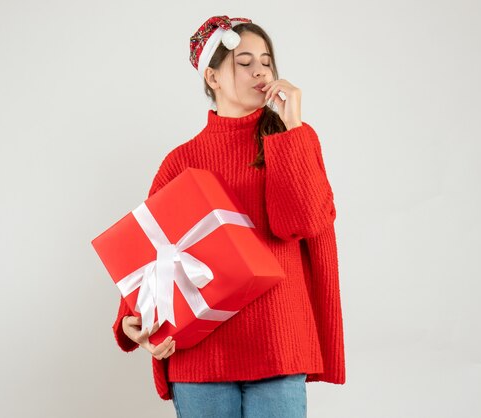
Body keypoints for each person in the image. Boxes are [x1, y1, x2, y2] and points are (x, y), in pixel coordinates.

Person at [112, 15, 345, 417]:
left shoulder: (294, 141)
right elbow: (153, 253)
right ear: (213, 77)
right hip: (201, 354)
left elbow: (303, 223)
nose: (260, 70)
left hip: (277, 342)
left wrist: (292, 127)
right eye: (244, 61)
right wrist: (132, 320)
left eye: (267, 61)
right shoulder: (181, 161)